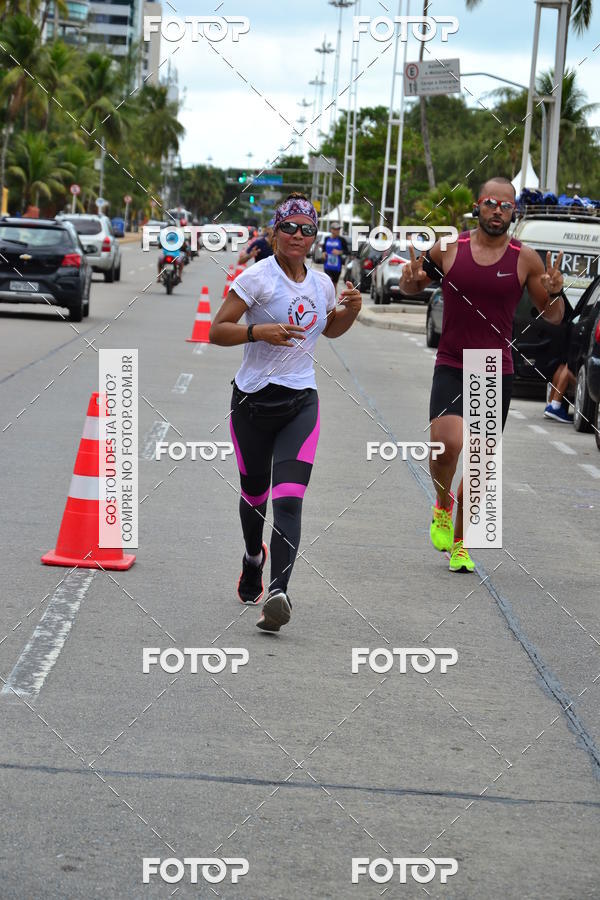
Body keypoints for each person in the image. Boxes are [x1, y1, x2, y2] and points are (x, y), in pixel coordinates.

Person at [209, 193, 362, 631]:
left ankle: (278, 593)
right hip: (252, 403)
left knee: (289, 500)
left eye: (307, 229)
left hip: (300, 402)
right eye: (290, 227)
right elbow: (217, 331)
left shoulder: (322, 284)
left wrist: (350, 312)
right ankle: (253, 557)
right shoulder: (257, 279)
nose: (298, 235)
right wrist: (258, 331)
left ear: (315, 237)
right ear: (274, 232)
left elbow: (329, 329)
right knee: (255, 497)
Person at [400, 176, 565, 573]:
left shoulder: (525, 259)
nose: (497, 211)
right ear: (478, 205)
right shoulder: (450, 249)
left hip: (494, 369)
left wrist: (556, 292)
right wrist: (409, 277)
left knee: (479, 463)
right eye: (491, 203)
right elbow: (412, 286)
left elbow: (553, 317)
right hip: (453, 361)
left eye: (505, 206)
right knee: (446, 446)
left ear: (514, 212)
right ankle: (442, 505)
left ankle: (460, 543)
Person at [321, 222, 349, 289]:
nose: (337, 231)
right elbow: (323, 249)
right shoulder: (327, 238)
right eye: (335, 229)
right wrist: (323, 253)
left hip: (337, 267)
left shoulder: (342, 240)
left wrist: (339, 252)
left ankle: (332, 298)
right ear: (331, 230)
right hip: (327, 266)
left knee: (334, 285)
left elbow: (347, 251)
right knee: (328, 283)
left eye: (338, 229)